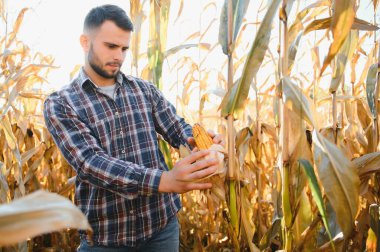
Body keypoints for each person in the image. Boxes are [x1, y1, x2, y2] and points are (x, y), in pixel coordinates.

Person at [43, 4, 224, 252]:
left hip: (161, 225)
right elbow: (91, 163)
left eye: (124, 48)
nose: (119, 56)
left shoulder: (143, 89)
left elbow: (175, 126)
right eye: (110, 46)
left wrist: (198, 140)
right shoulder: (61, 103)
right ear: (85, 42)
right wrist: (164, 180)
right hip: (107, 237)